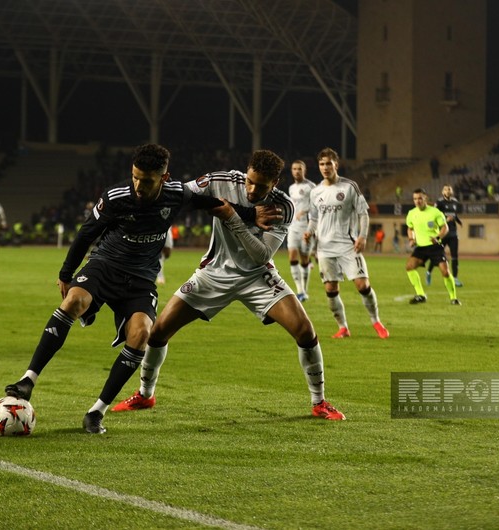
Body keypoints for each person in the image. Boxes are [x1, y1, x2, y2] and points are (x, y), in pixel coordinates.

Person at [2, 144, 275, 434]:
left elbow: (214, 204)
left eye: (146, 180)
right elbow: (86, 234)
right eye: (135, 177)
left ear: (164, 177)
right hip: (106, 265)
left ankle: (96, 412)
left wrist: (249, 215)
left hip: (142, 279)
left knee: (141, 334)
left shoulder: (177, 194)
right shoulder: (116, 197)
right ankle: (28, 380)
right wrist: (66, 274)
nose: (138, 185)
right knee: (74, 301)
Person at [112, 149, 346, 422]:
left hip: (256, 276)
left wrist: (232, 217)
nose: (252, 189)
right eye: (249, 180)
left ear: (275, 183)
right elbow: (181, 195)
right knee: (159, 331)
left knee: (305, 331)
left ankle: (319, 402)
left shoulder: (282, 206)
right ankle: (145, 394)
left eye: (261, 185)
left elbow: (261, 255)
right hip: (213, 273)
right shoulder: (221, 181)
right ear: (244, 173)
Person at [303, 148, 389, 340]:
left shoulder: (349, 187)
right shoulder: (316, 192)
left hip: (348, 245)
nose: (325, 167)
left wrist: (363, 236)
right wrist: (309, 231)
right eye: (322, 164)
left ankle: (376, 321)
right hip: (324, 249)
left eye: (328, 163)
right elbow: (314, 218)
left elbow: (363, 213)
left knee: (363, 285)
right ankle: (343, 327)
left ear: (336, 164)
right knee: (331, 290)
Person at [405, 188, 460, 305]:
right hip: (421, 247)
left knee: (445, 272)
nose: (417, 201)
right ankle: (420, 295)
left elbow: (445, 228)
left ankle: (453, 298)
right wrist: (411, 239)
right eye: (415, 199)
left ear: (425, 198)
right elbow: (410, 228)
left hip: (435, 246)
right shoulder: (411, 214)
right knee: (409, 266)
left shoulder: (435, 212)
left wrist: (438, 237)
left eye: (420, 198)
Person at [286, 159, 316, 302]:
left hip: (306, 228)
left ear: (304, 170)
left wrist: (304, 211)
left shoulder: (311, 187)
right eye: (294, 168)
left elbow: (317, 206)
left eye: (299, 169)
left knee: (304, 259)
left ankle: (305, 289)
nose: (297, 171)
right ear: (291, 171)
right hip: (293, 227)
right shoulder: (291, 188)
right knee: (292, 256)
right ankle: (300, 291)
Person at [426, 185, 463, 287]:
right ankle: (429, 273)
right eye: (446, 189)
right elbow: (434, 216)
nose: (448, 191)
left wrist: (459, 221)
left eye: (450, 189)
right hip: (442, 233)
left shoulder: (455, 202)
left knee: (455, 256)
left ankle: (455, 278)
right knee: (437, 256)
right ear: (443, 192)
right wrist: (445, 221)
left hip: (453, 234)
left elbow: (454, 215)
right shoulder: (439, 202)